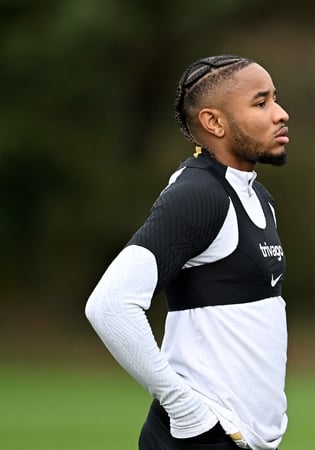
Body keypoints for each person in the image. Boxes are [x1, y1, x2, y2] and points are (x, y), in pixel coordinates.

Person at [86, 55, 291, 450]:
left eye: (275, 99)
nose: (280, 114)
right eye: (261, 103)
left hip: (239, 437)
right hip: (198, 437)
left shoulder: (257, 196)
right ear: (213, 123)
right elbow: (109, 305)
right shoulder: (197, 195)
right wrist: (185, 409)